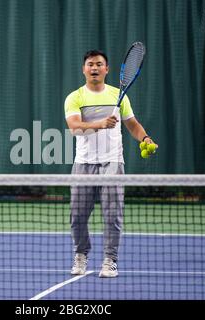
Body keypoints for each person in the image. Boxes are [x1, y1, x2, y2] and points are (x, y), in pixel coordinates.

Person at [64, 49, 157, 278]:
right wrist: (99, 123)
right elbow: (74, 127)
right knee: (77, 215)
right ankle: (81, 255)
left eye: (98, 64)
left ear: (107, 69)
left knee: (112, 214)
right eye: (90, 64)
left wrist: (145, 138)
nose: (94, 68)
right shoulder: (75, 97)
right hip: (84, 162)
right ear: (83, 69)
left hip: (113, 162)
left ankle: (110, 260)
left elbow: (132, 124)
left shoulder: (119, 95)